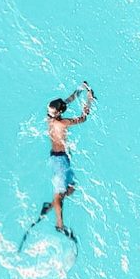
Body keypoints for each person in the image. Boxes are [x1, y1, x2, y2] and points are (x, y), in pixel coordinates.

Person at [45, 82, 94, 235]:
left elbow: (67, 100)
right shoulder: (62, 123)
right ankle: (59, 224)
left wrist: (81, 89)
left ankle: (52, 204)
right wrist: (89, 101)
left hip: (60, 158)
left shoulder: (51, 117)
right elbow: (83, 118)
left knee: (71, 188)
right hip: (60, 161)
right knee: (60, 193)